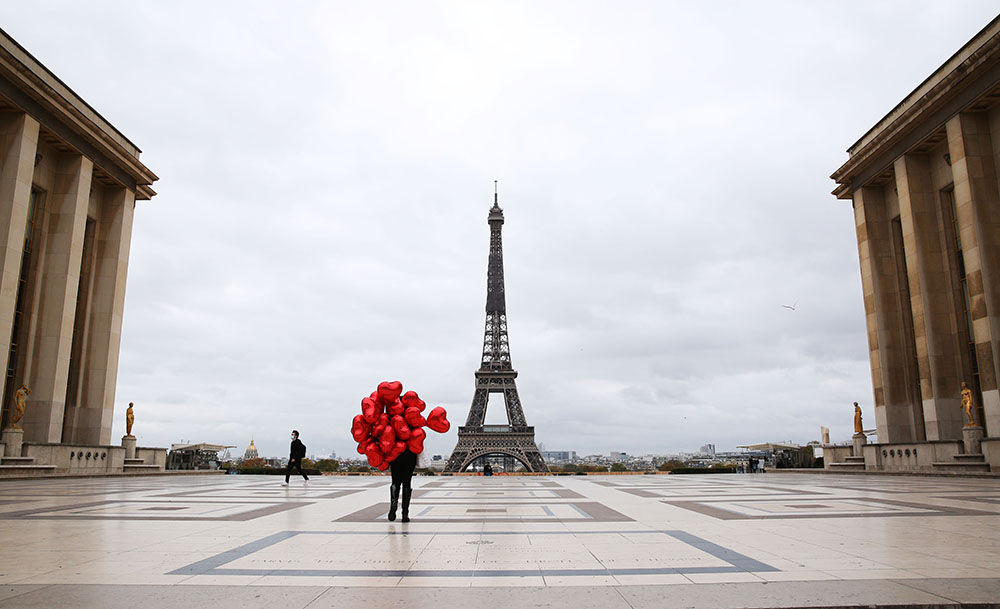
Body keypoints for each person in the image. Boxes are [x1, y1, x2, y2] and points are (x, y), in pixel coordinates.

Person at [388, 449, 416, 522]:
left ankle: (393, 506)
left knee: (395, 482)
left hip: (395, 453)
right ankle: (405, 513)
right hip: (410, 454)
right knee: (407, 484)